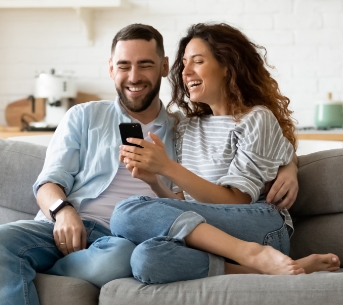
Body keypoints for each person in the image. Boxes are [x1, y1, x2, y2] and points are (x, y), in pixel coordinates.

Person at [0, 24, 299, 304]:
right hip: (65, 226)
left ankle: (14, 267)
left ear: (165, 67)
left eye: (145, 65)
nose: (133, 76)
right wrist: (63, 211)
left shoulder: (181, 127)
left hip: (120, 239)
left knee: (124, 252)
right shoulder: (84, 116)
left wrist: (289, 167)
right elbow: (48, 183)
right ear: (111, 69)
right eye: (123, 66)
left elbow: (258, 139)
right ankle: (4, 260)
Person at [112, 23, 340, 285]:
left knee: (125, 212)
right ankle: (262, 268)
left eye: (197, 61)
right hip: (212, 233)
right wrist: (154, 180)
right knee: (146, 259)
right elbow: (184, 203)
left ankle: (253, 253)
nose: (185, 72)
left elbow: (237, 201)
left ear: (227, 66)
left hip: (259, 226)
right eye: (184, 63)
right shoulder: (186, 127)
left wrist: (168, 167)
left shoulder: (255, 119)